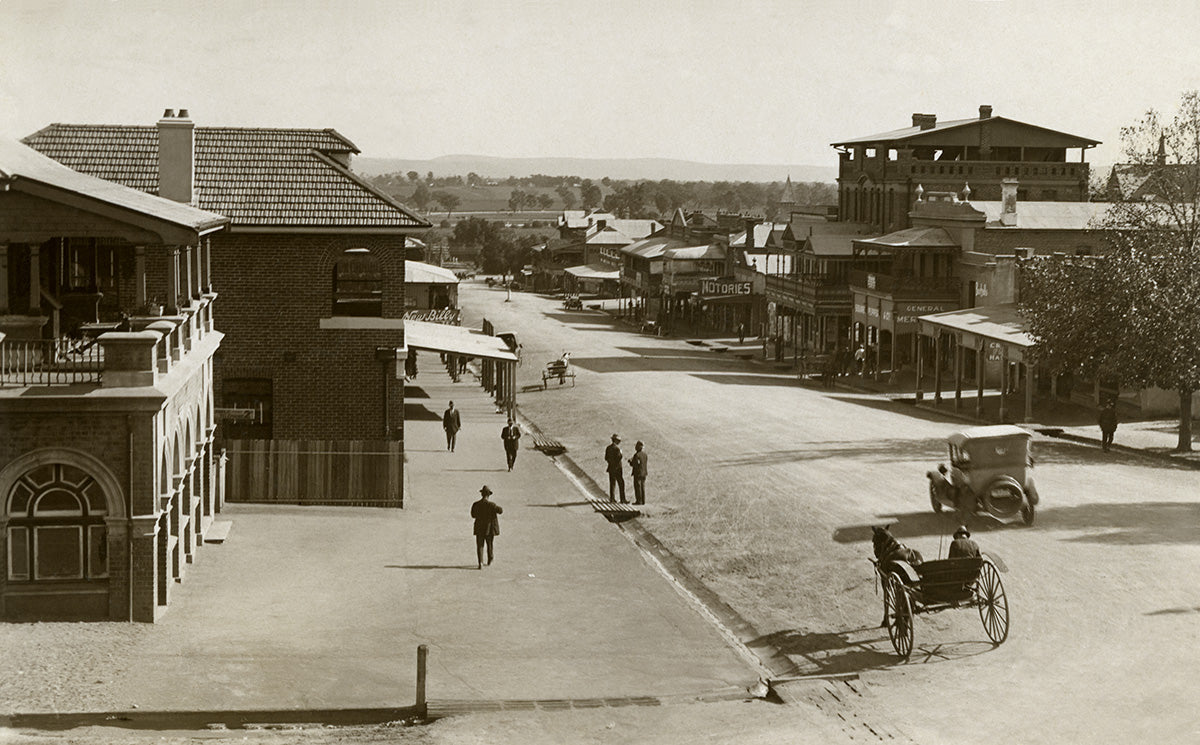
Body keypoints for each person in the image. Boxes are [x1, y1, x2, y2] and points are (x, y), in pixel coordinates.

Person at [470, 485, 503, 569]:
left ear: (482, 494)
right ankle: (490, 559)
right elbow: (500, 511)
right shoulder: (492, 505)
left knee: (480, 545)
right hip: (489, 529)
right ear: (488, 495)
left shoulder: (476, 504)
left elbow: (473, 515)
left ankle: (480, 562)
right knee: (489, 544)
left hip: (479, 527)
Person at [605, 434, 626, 503]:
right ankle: (622, 499)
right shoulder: (617, 449)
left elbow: (606, 458)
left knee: (612, 484)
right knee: (621, 483)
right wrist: (621, 453)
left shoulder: (608, 448)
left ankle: (612, 498)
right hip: (617, 469)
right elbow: (619, 458)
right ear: (616, 441)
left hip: (611, 468)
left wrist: (611, 463)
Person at [629, 440, 648, 505]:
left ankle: (639, 501)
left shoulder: (636, 455)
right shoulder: (645, 455)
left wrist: (631, 462)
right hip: (644, 473)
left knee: (638, 487)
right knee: (643, 487)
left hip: (638, 473)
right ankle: (643, 501)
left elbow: (636, 464)